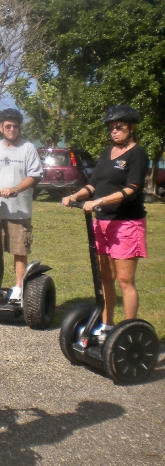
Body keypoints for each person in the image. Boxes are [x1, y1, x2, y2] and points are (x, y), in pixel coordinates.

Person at [62, 105, 148, 338]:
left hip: (126, 223)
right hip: (102, 222)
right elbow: (93, 184)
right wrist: (75, 196)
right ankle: (107, 325)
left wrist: (99, 200)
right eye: (111, 128)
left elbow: (131, 189)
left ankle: (129, 332)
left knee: (124, 280)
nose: (114, 131)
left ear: (131, 128)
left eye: (119, 127)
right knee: (105, 278)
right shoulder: (106, 153)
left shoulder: (137, 154)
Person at [0, 108, 42, 302]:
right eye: (8, 126)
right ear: (0, 127)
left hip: (19, 210)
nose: (12, 129)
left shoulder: (27, 148)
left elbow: (35, 175)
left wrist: (16, 189)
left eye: (15, 126)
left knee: (19, 250)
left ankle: (18, 287)